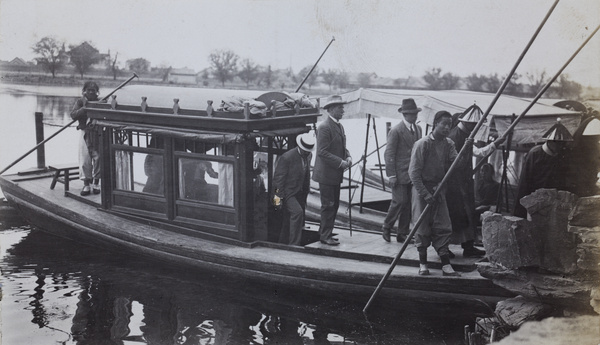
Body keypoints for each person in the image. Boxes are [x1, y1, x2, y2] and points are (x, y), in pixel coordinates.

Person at [446, 107, 505, 257]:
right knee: (452, 215)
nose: (476, 128)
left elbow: (477, 153)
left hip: (464, 182)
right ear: (466, 123)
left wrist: (495, 144)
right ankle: (444, 247)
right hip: (453, 184)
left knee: (468, 214)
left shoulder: (466, 135)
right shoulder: (454, 136)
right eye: (474, 125)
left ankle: (468, 247)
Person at [409, 110, 460, 276]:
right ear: (435, 124)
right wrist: (425, 193)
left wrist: (467, 148)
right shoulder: (422, 144)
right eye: (443, 124)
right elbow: (414, 173)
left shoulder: (449, 144)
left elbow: (456, 164)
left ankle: (446, 265)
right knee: (421, 226)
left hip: (439, 189)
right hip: (421, 190)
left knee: (443, 225)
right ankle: (423, 264)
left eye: (449, 125)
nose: (446, 128)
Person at [513, 118, 573, 218]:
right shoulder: (535, 153)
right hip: (533, 200)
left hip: (551, 202)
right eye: (559, 144)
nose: (561, 147)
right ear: (550, 142)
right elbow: (525, 181)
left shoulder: (560, 155)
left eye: (563, 144)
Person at [381, 98, 423, 242]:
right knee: (398, 201)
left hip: (412, 174)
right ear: (405, 114)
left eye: (416, 113)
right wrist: (391, 175)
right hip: (399, 174)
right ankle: (387, 226)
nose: (415, 116)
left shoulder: (418, 129)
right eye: (412, 114)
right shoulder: (396, 131)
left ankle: (402, 233)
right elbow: (389, 154)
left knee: (408, 204)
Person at [312, 95, 352, 246]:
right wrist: (340, 162)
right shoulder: (323, 127)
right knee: (328, 205)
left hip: (334, 174)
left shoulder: (339, 126)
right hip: (326, 175)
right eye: (340, 107)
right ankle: (324, 236)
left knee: (333, 205)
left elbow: (340, 146)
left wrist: (348, 156)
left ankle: (325, 232)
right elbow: (322, 151)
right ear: (331, 109)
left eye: (342, 107)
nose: (343, 110)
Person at [273, 133, 315, 245]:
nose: (308, 152)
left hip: (300, 193)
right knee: (298, 213)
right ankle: (294, 244)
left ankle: (282, 242)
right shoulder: (287, 158)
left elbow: (306, 174)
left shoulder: (309, 155)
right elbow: (278, 181)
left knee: (289, 219)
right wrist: (277, 200)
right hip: (288, 193)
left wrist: (306, 191)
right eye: (306, 150)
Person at [70, 81, 101, 196]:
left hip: (97, 133)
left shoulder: (101, 102)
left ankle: (96, 184)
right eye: (89, 90)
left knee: (98, 158)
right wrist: (85, 108)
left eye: (93, 90)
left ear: (97, 91)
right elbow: (73, 115)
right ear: (85, 91)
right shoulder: (80, 102)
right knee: (85, 159)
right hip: (84, 133)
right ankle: (86, 184)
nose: (91, 92)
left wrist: (98, 107)